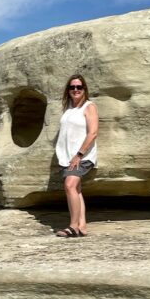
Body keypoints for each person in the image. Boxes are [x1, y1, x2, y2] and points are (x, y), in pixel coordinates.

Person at [54, 74, 98, 238]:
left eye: (79, 87)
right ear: (68, 90)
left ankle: (72, 226)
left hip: (82, 156)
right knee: (76, 190)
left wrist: (78, 155)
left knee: (70, 185)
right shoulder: (69, 110)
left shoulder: (89, 106)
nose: (75, 90)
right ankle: (82, 226)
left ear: (84, 89)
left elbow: (92, 133)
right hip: (68, 157)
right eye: (72, 87)